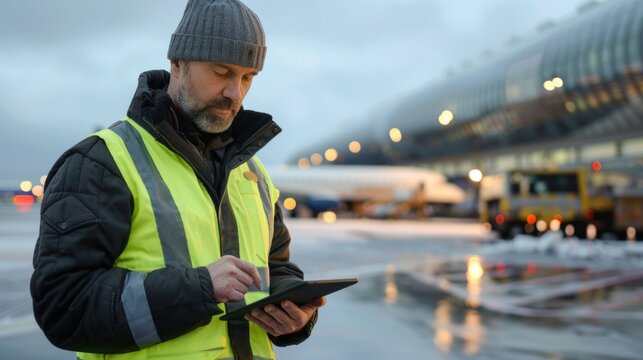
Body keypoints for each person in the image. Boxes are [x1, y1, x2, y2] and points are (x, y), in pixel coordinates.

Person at [30, 1, 325, 359]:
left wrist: (294, 308)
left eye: (248, 77)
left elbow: (275, 267)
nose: (236, 93)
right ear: (177, 64)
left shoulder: (252, 173)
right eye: (221, 71)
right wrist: (199, 288)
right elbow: (64, 309)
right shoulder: (103, 161)